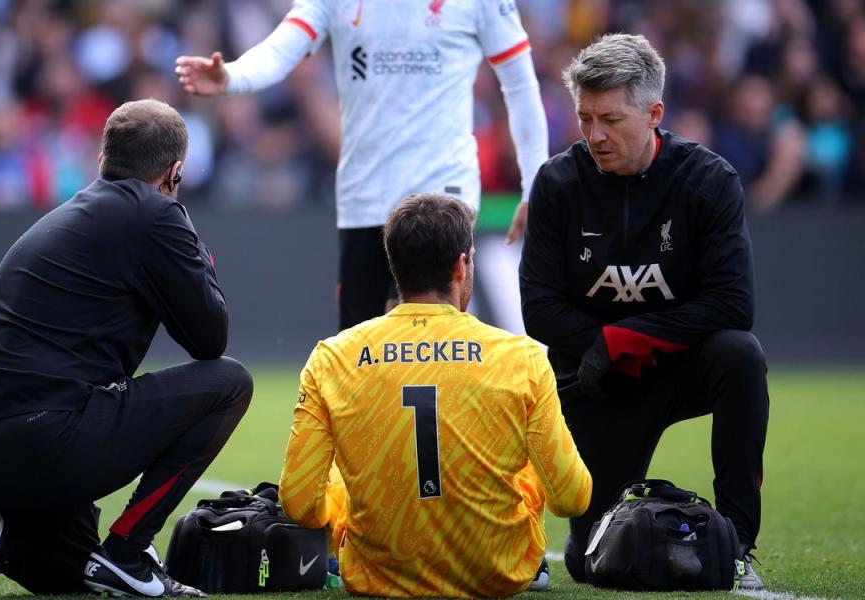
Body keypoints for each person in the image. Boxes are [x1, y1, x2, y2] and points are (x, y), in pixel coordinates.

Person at [0, 98, 253, 599]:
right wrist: (185, 225)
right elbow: (210, 338)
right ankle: (129, 550)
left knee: (73, 575)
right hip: (45, 442)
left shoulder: (69, 215)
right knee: (229, 382)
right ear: (174, 172)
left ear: (103, 160)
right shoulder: (155, 215)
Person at [518, 34, 769, 589]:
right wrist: (606, 348)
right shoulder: (558, 183)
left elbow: (734, 304)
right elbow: (539, 310)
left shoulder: (709, 181)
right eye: (585, 118)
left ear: (654, 113)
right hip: (596, 382)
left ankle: (737, 543)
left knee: (740, 355)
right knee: (594, 565)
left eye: (610, 118)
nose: (595, 135)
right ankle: (561, 533)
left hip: (679, 369)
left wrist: (627, 339)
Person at [277, 193, 592, 597]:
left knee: (338, 475)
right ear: (461, 266)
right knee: (527, 462)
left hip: (378, 577)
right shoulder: (521, 356)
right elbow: (572, 497)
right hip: (497, 574)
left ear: (395, 267)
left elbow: (299, 502)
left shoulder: (333, 357)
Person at [175, 0, 550, 330]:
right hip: (365, 197)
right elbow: (281, 48)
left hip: (442, 191)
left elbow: (520, 84)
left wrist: (535, 185)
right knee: (362, 356)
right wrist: (231, 77)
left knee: (426, 337)